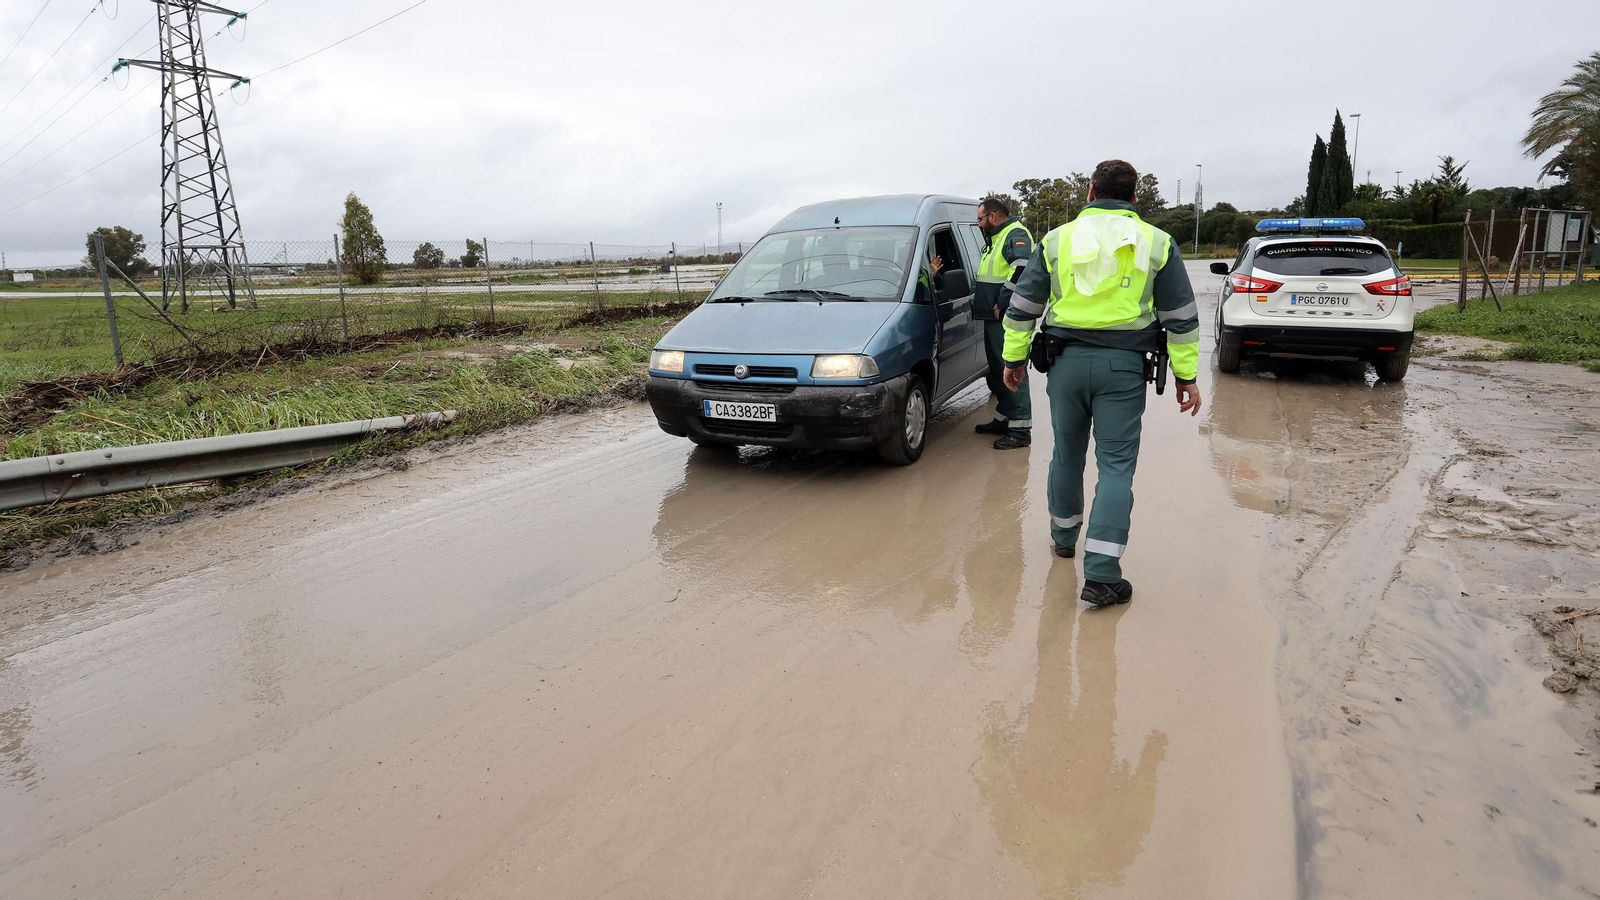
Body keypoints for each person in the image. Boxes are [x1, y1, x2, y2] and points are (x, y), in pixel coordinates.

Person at [999, 159, 1203, 607]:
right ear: (1134, 197)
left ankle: (1063, 538)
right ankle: (1103, 575)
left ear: (1090, 192)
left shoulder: (1056, 239)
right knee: (1115, 466)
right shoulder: (1158, 241)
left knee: (1066, 454)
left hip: (1064, 363)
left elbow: (1023, 307)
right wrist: (1187, 376)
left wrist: (1012, 359)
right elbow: (1181, 319)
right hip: (1124, 368)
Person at [971, 199, 1035, 450]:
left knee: (1012, 367)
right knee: (998, 369)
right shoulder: (996, 238)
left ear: (993, 216)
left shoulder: (1015, 234)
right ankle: (1005, 417)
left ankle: (1020, 431)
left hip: (1005, 316)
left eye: (980, 218)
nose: (979, 223)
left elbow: (1022, 268)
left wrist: (1003, 300)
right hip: (993, 316)